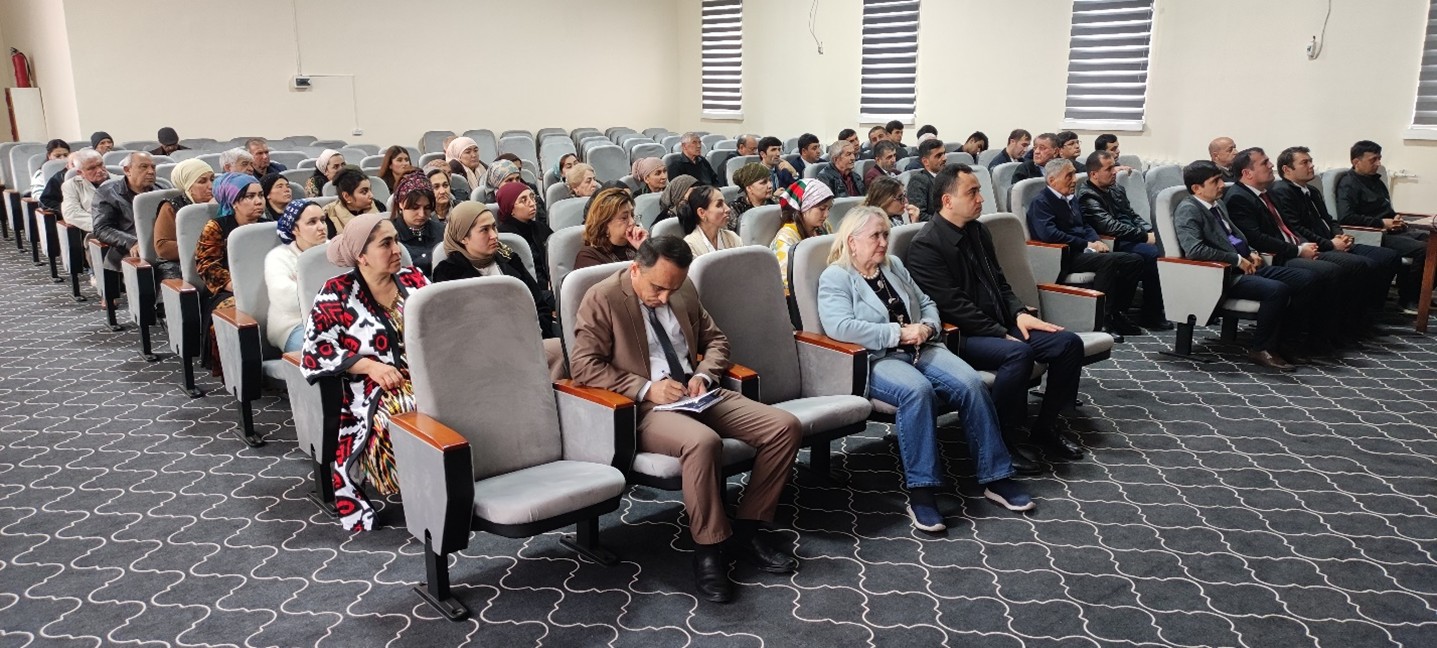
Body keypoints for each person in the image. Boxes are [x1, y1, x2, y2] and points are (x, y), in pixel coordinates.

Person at [569, 236, 803, 603]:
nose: (665, 297)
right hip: (644, 408)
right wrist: (647, 388)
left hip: (696, 393)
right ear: (635, 269)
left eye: (672, 289)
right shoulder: (602, 298)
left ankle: (748, 529)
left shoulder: (683, 288)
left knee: (784, 427)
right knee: (702, 442)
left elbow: (717, 342)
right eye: (657, 288)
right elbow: (583, 366)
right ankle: (709, 549)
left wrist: (704, 374)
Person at [818, 206, 1035, 533]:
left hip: (924, 348)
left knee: (971, 383)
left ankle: (996, 478)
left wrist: (929, 327)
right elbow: (840, 326)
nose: (883, 242)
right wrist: (898, 333)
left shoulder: (893, 266)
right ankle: (922, 493)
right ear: (852, 241)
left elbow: (927, 303)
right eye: (875, 236)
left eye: (886, 234)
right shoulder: (836, 276)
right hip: (878, 358)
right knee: (917, 392)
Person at [907, 164, 1085, 471]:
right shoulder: (926, 245)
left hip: (999, 324)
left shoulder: (978, 231)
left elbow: (1000, 283)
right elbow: (953, 307)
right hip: (960, 336)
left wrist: (1018, 313)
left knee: (1068, 344)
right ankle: (1001, 441)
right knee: (1018, 353)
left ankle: (1046, 426)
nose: (981, 199)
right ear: (948, 201)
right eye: (972, 192)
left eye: (979, 191)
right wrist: (1000, 331)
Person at [300, 212, 430, 532]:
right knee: (406, 409)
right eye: (386, 244)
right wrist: (371, 365)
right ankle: (419, 487)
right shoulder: (337, 292)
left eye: (396, 240)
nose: (397, 249)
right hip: (371, 387)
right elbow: (316, 349)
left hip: (427, 374)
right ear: (362, 256)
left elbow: (445, 323)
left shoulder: (414, 280)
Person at [1174, 161, 1319, 370]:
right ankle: (1261, 348)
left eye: (1221, 179)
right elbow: (1195, 250)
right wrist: (1237, 259)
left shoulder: (1217, 204)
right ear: (1197, 188)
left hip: (1246, 265)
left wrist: (1251, 252)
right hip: (1222, 274)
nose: (1222, 185)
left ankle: (1286, 344)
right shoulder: (1188, 209)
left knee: (1305, 279)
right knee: (1277, 290)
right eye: (1215, 181)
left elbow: (1234, 236)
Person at [1224, 147, 1353, 353]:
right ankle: (1304, 339)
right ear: (1247, 173)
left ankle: (1322, 335)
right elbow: (1257, 239)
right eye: (1265, 163)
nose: (1271, 166)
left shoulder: (1266, 193)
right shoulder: (1239, 197)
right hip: (1273, 256)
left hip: (1291, 248)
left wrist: (1305, 244)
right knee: (1327, 272)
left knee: (1340, 269)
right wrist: (1298, 250)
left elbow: (1290, 226)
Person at [1270, 145, 1401, 331]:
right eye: (1304, 162)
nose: (1311, 166)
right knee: (1361, 265)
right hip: (1314, 246)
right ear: (1287, 169)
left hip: (1332, 241)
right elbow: (1296, 228)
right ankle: (1347, 323)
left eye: (1311, 161)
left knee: (1388, 257)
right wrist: (1330, 243)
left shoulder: (1312, 190)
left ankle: (1368, 315)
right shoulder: (1282, 191)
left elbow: (1329, 219)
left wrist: (1340, 234)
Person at [1026, 158, 1145, 338]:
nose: (1075, 179)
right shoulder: (1041, 202)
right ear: (1052, 180)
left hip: (1082, 251)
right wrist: (1085, 244)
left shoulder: (1071, 199)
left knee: (1134, 260)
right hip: (1062, 255)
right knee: (1108, 262)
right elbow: (1049, 235)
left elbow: (1085, 225)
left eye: (1074, 174)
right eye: (1069, 175)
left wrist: (1096, 241)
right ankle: (1102, 320)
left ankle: (1117, 312)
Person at [1335, 140, 1431, 314]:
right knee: (1423, 250)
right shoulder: (1348, 184)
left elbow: (1386, 210)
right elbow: (1346, 217)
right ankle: (1408, 298)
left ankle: (1423, 293)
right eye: (1373, 160)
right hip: (1374, 234)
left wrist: (1395, 218)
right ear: (1356, 162)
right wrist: (1381, 223)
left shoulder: (1376, 181)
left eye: (1379, 158)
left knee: (1433, 241)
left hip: (1392, 229)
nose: (1378, 163)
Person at [1078, 151, 1170, 329]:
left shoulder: (1116, 189)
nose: (1114, 172)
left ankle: (1165, 307)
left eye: (1114, 167)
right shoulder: (1088, 196)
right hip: (1115, 240)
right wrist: (1144, 236)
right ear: (1094, 174)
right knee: (1154, 255)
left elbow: (1132, 216)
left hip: (1132, 236)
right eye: (1109, 169)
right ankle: (1151, 312)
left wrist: (1150, 230)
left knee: (1167, 248)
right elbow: (1110, 226)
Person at [433, 202, 555, 334]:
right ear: (463, 238)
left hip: (527, 335)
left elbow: (539, 306)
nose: (494, 235)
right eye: (484, 230)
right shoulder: (448, 273)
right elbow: (454, 328)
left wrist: (534, 332)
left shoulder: (509, 258)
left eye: (494, 227)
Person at [196, 173, 269, 314]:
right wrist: (239, 288)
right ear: (234, 202)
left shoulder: (269, 226)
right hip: (226, 291)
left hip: (264, 288)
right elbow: (207, 266)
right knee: (242, 309)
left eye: (261, 195)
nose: (259, 201)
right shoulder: (216, 227)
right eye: (250, 196)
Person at [265, 199, 328, 352]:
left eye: (323, 220)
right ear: (295, 229)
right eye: (312, 222)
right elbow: (286, 299)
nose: (321, 227)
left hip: (333, 320)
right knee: (323, 351)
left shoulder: (334, 250)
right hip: (294, 325)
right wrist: (331, 297)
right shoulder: (278, 257)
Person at [93, 152, 157, 272]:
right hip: (126, 249)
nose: (151, 171)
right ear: (127, 170)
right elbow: (102, 228)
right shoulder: (108, 193)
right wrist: (132, 242)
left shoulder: (161, 191)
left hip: (158, 247)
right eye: (144, 167)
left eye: (153, 167)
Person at [153, 159, 215, 280]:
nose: (211, 186)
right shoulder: (171, 207)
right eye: (202, 181)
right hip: (178, 264)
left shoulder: (221, 204)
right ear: (188, 185)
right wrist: (208, 248)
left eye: (212, 179)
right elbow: (163, 247)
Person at [771, 179, 833, 291]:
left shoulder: (824, 227)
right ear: (804, 207)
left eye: (829, 208)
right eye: (822, 209)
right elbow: (788, 282)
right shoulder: (785, 238)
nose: (826, 214)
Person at [495, 180, 553, 287]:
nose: (532, 203)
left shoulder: (541, 228)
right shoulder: (504, 237)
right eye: (523, 200)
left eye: (532, 197)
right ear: (510, 208)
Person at [576, 187, 648, 269]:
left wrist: (646, 248)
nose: (632, 222)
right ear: (604, 224)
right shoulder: (588, 257)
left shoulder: (637, 245)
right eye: (624, 218)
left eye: (632, 215)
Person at [390, 171, 444, 275]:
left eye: (427, 208)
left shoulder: (442, 231)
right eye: (415, 208)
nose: (422, 214)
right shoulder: (390, 236)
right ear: (401, 203)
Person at [680, 185, 740, 257]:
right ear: (701, 213)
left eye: (725, 203)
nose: (728, 209)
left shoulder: (732, 237)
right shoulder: (690, 246)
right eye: (719, 205)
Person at [61, 149, 108, 233]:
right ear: (80, 173)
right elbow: (72, 213)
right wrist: (105, 226)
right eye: (92, 168)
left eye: (100, 165)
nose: (99, 170)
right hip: (97, 231)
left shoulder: (121, 180)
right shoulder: (71, 185)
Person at [322, 168, 379, 236]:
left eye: (370, 190)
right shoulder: (330, 218)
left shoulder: (379, 206)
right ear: (346, 196)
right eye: (364, 192)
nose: (371, 195)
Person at [905, 138, 947, 222]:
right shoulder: (918, 180)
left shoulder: (950, 176)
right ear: (925, 161)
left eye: (944, 154)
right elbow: (919, 214)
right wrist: (947, 222)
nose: (944, 158)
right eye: (938, 156)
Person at [728, 163, 774, 230]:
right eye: (763, 182)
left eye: (770, 180)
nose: (770, 186)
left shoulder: (776, 202)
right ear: (749, 188)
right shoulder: (736, 209)